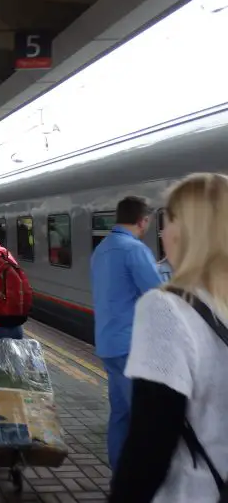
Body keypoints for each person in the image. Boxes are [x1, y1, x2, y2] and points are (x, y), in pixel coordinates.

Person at [110, 174, 228, 502]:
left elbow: (149, 446)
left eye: (169, 219)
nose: (162, 232)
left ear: (190, 232)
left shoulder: (166, 308)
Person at [90, 196, 162, 471]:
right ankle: (140, 483)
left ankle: (120, 475)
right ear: (142, 221)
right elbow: (158, 294)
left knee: (120, 415)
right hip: (132, 347)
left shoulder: (102, 249)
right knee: (145, 418)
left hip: (108, 344)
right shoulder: (135, 250)